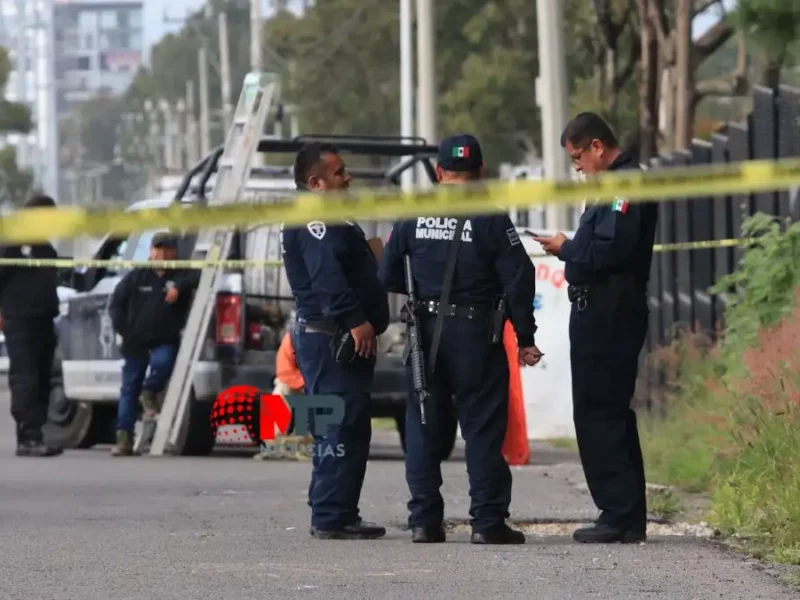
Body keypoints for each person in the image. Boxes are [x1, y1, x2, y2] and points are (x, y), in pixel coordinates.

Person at [378, 134, 543, 545]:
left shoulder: (414, 214)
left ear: (438, 172)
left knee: (422, 424)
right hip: (475, 334)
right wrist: (525, 336)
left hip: (425, 332)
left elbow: (387, 273)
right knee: (483, 430)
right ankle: (486, 524)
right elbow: (520, 278)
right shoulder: (490, 216)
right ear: (480, 172)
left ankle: (424, 522)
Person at [533, 112, 658, 544]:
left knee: (599, 412)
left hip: (610, 312)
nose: (578, 167)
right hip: (599, 311)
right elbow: (599, 245)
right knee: (607, 412)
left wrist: (567, 249)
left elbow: (612, 250)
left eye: (577, 157)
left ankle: (617, 515)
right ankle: (625, 515)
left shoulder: (625, 185)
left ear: (597, 147)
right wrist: (570, 245)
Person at [280, 142, 390, 540]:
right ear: (316, 183)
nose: (348, 178)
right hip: (331, 339)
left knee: (351, 426)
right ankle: (329, 514)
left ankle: (341, 511)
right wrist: (357, 320)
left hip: (337, 339)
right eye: (339, 172)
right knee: (337, 427)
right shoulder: (314, 219)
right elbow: (327, 278)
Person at [108, 232, 200, 456]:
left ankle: (150, 392)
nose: (162, 254)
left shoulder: (181, 274)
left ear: (174, 253)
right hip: (135, 343)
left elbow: (200, 275)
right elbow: (116, 305)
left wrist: (178, 286)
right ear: (150, 252)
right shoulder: (136, 277)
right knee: (129, 389)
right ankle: (124, 439)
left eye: (167, 249)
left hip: (164, 340)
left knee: (163, 362)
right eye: (158, 249)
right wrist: (125, 331)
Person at [0, 194, 62, 456]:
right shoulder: (12, 244)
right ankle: (27, 437)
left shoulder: (47, 248)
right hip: (20, 319)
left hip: (44, 319)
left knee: (42, 377)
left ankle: (38, 433)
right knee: (25, 378)